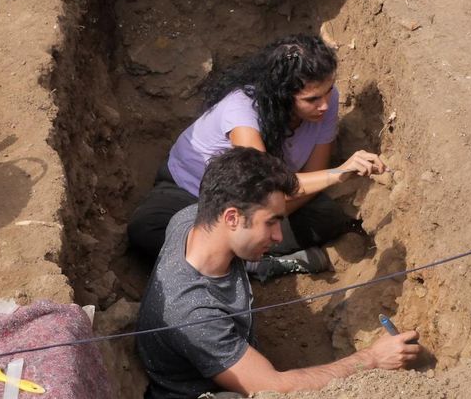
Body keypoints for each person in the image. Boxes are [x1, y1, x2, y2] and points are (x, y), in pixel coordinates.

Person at [136, 147, 420, 399]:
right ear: (232, 218)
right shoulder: (193, 313)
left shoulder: (191, 219)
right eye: (271, 223)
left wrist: (339, 172)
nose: (276, 236)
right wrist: (371, 359)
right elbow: (273, 387)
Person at [127, 34, 386, 278]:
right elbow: (261, 186)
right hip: (190, 193)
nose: (325, 105)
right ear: (283, 96)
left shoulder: (325, 102)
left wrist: (271, 212)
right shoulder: (242, 112)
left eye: (329, 91)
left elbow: (307, 178)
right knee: (147, 230)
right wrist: (336, 175)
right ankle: (259, 266)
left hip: (258, 205)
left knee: (325, 215)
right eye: (312, 99)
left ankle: (237, 254)